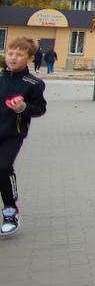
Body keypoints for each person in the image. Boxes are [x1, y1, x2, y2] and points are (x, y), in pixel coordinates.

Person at [1, 37, 48, 237]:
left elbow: (40, 109)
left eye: (19, 55)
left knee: (3, 168)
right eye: (10, 53)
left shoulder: (34, 84)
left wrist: (23, 108)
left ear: (29, 58)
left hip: (13, 134)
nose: (13, 58)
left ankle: (10, 211)